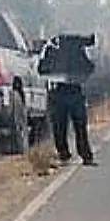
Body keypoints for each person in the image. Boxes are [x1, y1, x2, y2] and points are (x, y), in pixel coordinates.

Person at [40, 32, 97, 165]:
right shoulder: (76, 45)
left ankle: (64, 154)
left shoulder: (51, 43)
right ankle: (85, 155)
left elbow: (41, 68)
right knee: (79, 124)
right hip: (73, 89)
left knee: (59, 125)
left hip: (57, 89)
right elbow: (89, 67)